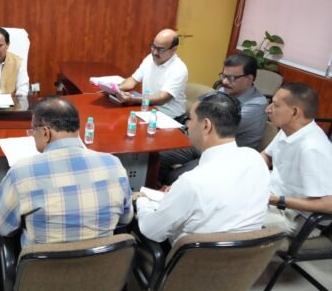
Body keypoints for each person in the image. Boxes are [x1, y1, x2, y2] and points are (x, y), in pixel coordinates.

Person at [0, 96, 133, 246]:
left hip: (43, 261)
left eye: (33, 130)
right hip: (103, 260)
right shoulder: (113, 165)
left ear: (46, 132)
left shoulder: (21, 172)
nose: (33, 135)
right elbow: (125, 218)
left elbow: (2, 225)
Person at [135, 92, 270, 245]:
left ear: (206, 126)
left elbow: (152, 231)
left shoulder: (192, 182)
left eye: (190, 119)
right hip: (248, 254)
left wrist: (142, 200)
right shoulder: (255, 159)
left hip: (192, 256)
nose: (187, 125)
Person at [158, 54, 268, 185]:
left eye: (232, 78)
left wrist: (193, 122)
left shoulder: (256, 105)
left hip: (226, 158)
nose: (225, 82)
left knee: (177, 177)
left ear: (249, 78)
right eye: (224, 76)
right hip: (204, 145)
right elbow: (201, 113)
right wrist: (192, 121)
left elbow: (214, 125)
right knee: (156, 156)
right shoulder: (224, 91)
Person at [262, 83, 332, 237]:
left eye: (275, 105)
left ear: (294, 112)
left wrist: (277, 200)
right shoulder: (288, 129)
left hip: (298, 216)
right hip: (275, 196)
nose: (268, 109)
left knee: (236, 218)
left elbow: (329, 204)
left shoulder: (312, 148)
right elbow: (266, 156)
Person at [117, 28, 188, 121]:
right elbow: (133, 80)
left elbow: (162, 98)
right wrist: (115, 89)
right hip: (148, 110)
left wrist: (133, 100)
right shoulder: (150, 58)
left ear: (174, 49)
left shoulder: (179, 69)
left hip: (169, 117)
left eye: (161, 49)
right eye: (153, 46)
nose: (155, 52)